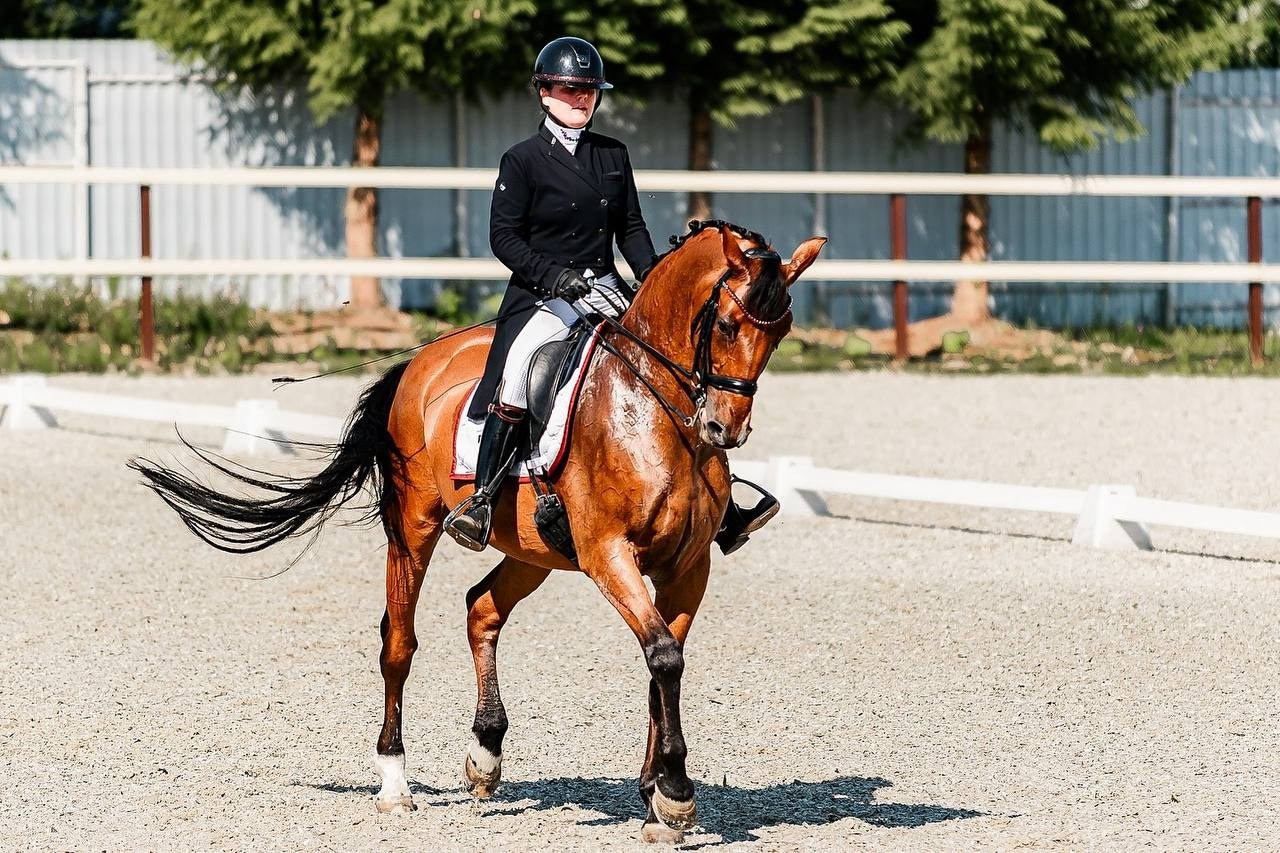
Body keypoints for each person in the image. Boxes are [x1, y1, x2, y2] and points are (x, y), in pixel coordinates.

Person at [443, 36, 778, 555]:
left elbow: (632, 227)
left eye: (588, 91)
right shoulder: (522, 160)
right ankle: (482, 499)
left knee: (678, 368)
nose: (580, 99)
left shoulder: (612, 156)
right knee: (515, 375)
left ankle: (722, 506)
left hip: (604, 289)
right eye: (569, 90)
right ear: (544, 93)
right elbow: (503, 238)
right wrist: (554, 277)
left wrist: (652, 280)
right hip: (541, 297)